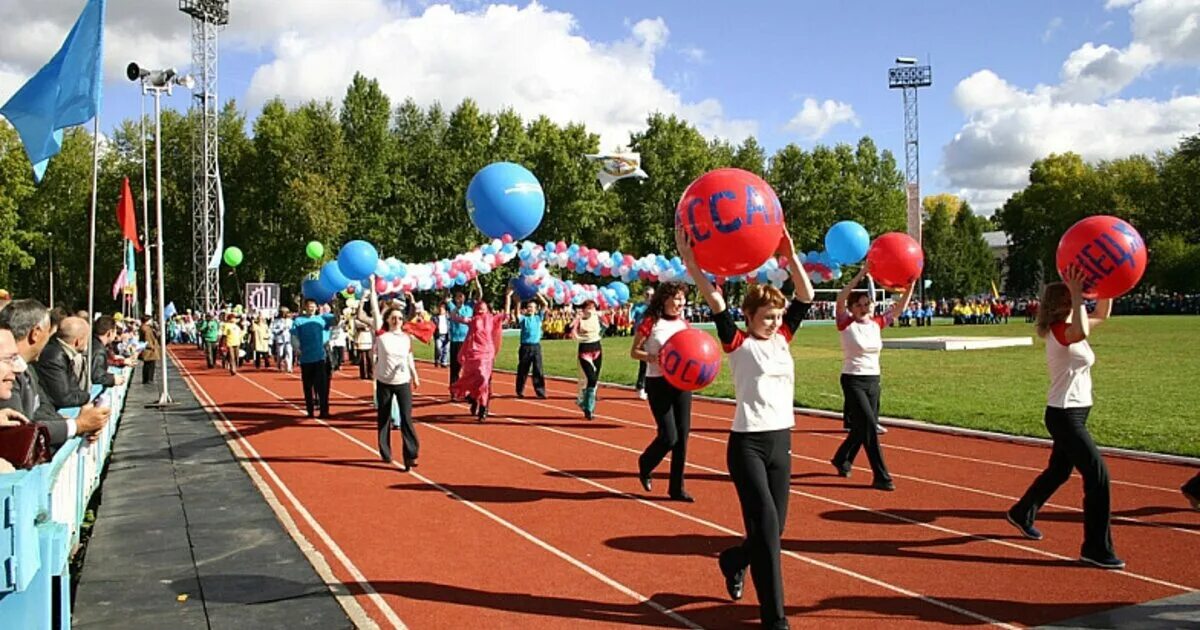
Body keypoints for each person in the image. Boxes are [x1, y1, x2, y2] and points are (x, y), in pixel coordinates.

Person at [678, 224, 813, 630]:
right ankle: (775, 619)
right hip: (747, 446)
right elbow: (714, 299)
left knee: (773, 531)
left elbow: (805, 295)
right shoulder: (738, 344)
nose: (773, 323)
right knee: (767, 529)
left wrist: (789, 254)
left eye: (777, 317)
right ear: (749, 317)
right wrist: (692, 263)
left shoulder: (784, 339)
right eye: (766, 317)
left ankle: (735, 559)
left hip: (780, 443)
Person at [1006, 266, 1124, 570]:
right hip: (1064, 415)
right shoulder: (1062, 331)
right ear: (1064, 303)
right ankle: (1095, 548)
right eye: (1075, 297)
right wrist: (1076, 291)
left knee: (1058, 471)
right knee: (1098, 477)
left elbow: (1103, 313)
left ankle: (1023, 511)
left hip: (1076, 412)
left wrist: (1108, 281)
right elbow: (1081, 330)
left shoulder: (1072, 324)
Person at [830, 268, 915, 491]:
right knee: (869, 428)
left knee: (861, 428)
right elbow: (840, 298)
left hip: (873, 380)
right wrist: (861, 275)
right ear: (851, 308)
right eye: (858, 304)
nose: (862, 308)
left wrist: (910, 285)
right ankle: (882, 475)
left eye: (866, 304)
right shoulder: (845, 322)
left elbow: (900, 308)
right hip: (853, 380)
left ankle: (842, 459)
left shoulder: (877, 323)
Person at [631, 282, 695, 501]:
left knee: (683, 437)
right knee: (669, 436)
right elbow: (634, 352)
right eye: (677, 298)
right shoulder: (650, 322)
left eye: (683, 299)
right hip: (657, 382)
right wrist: (651, 358)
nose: (681, 303)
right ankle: (646, 463)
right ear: (664, 299)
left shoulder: (684, 324)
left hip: (682, 383)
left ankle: (676, 488)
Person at [373, 307, 421, 469]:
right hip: (384, 382)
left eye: (400, 318)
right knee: (384, 417)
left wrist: (415, 375)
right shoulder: (381, 336)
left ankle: (411, 454)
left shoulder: (406, 338)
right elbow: (375, 310)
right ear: (387, 320)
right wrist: (371, 290)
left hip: (402, 382)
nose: (397, 321)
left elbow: (409, 357)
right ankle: (385, 451)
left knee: (406, 418)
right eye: (393, 318)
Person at [450, 290, 509, 421]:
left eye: (483, 308)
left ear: (487, 309)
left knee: (484, 380)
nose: (481, 310)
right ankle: (474, 398)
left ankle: (483, 408)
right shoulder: (472, 320)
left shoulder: (492, 319)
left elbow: (506, 315)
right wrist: (458, 306)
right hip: (473, 355)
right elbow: (454, 317)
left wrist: (508, 297)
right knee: (474, 379)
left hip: (487, 355)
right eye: (479, 308)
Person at [292, 299, 337, 418]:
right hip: (306, 358)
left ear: (317, 308)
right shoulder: (298, 321)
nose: (311, 308)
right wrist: (296, 348)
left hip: (320, 357)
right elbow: (294, 335)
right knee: (308, 387)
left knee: (322, 386)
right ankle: (310, 411)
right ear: (304, 307)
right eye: (309, 306)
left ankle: (324, 411)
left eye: (313, 306)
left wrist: (335, 304)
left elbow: (336, 320)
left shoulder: (322, 319)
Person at [569, 298, 605, 420]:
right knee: (591, 378)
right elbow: (568, 329)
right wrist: (576, 318)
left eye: (593, 308)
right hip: (585, 350)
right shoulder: (579, 319)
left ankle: (585, 403)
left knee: (595, 380)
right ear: (583, 309)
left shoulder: (596, 316)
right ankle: (588, 408)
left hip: (597, 349)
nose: (591, 310)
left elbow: (607, 316)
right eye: (588, 308)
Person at [512, 288, 548, 399]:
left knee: (538, 369)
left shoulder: (538, 318)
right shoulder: (523, 319)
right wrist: (518, 302)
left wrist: (537, 293)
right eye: (528, 307)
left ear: (536, 309)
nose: (530, 309)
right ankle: (520, 390)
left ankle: (540, 392)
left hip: (536, 347)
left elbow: (545, 304)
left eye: (532, 307)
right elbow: (517, 314)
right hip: (525, 347)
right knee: (523, 370)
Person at [447, 286, 480, 398]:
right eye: (458, 297)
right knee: (455, 368)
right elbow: (446, 295)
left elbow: (479, 295)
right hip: (456, 342)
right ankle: (454, 391)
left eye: (462, 297)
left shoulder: (469, 306)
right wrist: (446, 284)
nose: (460, 299)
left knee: (468, 368)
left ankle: (468, 391)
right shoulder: (452, 306)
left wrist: (476, 282)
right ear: (455, 299)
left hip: (468, 342)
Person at [631, 288, 654, 400]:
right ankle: (640, 386)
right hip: (642, 336)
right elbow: (631, 317)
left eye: (651, 294)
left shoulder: (655, 307)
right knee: (644, 362)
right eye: (647, 294)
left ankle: (649, 387)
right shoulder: (638, 306)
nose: (649, 296)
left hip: (653, 336)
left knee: (653, 362)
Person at [271, 309, 294, 373]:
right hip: (280, 339)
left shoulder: (291, 321)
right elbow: (272, 329)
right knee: (280, 354)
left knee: (289, 353)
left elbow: (294, 329)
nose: (284, 314)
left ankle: (289, 367)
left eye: (286, 312)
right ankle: (279, 366)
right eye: (283, 312)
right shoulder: (276, 321)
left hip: (288, 339)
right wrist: (280, 330)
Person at [140, 315, 161, 384]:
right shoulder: (146, 329)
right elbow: (148, 339)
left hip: (149, 349)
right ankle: (149, 379)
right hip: (149, 350)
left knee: (148, 364)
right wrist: (152, 347)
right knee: (150, 365)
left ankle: (147, 379)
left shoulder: (146, 328)